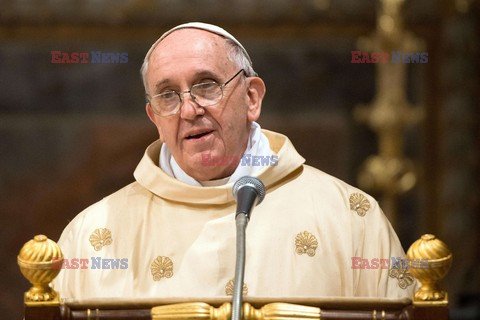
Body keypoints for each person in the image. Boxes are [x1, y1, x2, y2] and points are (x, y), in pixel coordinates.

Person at [53, 22, 417, 299]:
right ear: (155, 119)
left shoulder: (350, 218)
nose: (189, 110)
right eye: (168, 95)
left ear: (252, 98)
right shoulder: (91, 238)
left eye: (207, 85)